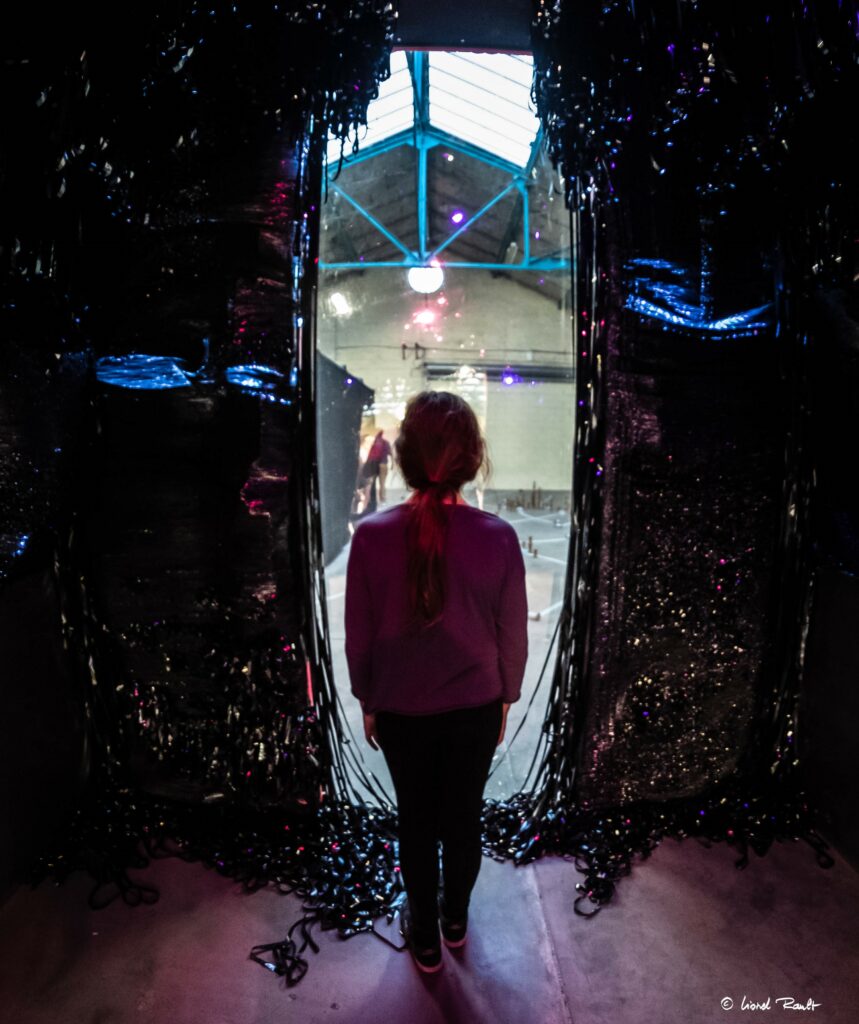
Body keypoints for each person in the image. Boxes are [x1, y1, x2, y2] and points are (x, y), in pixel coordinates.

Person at [344, 391, 528, 974]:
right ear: (472, 459)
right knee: (463, 818)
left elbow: (359, 636)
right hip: (474, 708)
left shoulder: (371, 537)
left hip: (400, 709)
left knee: (415, 823)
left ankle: (423, 935)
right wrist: (506, 696)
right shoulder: (497, 537)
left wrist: (369, 699)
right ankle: (454, 920)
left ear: (402, 458)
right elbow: (512, 635)